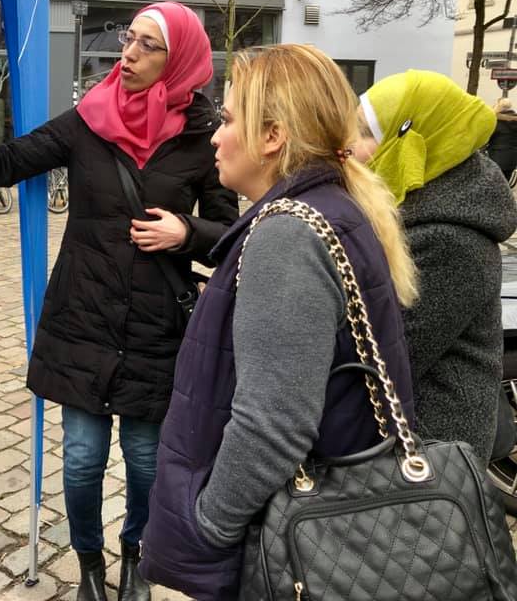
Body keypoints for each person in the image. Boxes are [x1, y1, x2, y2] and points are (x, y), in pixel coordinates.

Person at [0, 1, 238, 601]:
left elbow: (231, 233)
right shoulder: (88, 120)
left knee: (147, 461)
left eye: (147, 45)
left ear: (178, 58)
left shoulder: (206, 137)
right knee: (80, 460)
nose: (127, 54)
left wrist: (187, 233)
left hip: (158, 327)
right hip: (84, 319)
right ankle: (90, 568)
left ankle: (136, 558)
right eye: (129, 39)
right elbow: (4, 165)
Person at [138, 44, 418, 600]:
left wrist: (209, 525)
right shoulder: (333, 207)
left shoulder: (288, 235)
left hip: (288, 537)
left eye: (230, 118)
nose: (216, 136)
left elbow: (274, 424)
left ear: (273, 136)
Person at [355, 71, 517, 463]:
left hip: (431, 459)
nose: (347, 146)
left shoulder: (450, 241)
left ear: (412, 143)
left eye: (363, 132)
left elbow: (389, 359)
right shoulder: (406, 209)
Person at [486, 97, 517, 184]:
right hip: (513, 158)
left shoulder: (496, 121)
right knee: (505, 183)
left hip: (497, 156)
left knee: (495, 183)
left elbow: (487, 138)